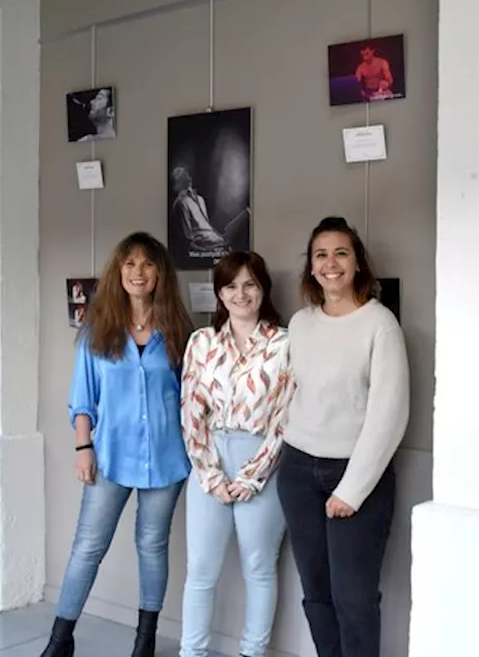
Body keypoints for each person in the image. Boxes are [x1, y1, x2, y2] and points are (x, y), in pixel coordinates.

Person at [39, 232, 194, 657]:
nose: (138, 272)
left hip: (166, 459)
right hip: (108, 456)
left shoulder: (180, 330)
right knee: (88, 547)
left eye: (147, 264)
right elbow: (82, 398)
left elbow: (192, 399)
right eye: (130, 264)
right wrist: (82, 448)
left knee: (152, 546)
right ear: (118, 272)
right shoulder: (98, 329)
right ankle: (59, 640)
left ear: (160, 272)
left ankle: (144, 642)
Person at [277, 216, 409, 657]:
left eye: (341, 253)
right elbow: (289, 395)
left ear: (357, 264)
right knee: (316, 593)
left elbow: (388, 416)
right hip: (298, 471)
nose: (330, 263)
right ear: (311, 267)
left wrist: (351, 490)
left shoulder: (380, 324)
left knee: (354, 598)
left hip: (354, 475)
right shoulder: (300, 324)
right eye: (321, 254)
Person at [179, 251, 295, 657]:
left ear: (263, 289)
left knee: (259, 569)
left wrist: (252, 476)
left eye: (249, 284)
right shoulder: (202, 342)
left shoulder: (286, 343)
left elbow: (285, 417)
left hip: (262, 459)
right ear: (219, 293)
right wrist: (211, 475)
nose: (240, 293)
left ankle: (251, 652)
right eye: (230, 285)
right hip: (209, 457)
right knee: (200, 571)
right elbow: (191, 413)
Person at [169, 166, 251, 257]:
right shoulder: (181, 203)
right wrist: (206, 250)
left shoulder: (200, 199)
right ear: (179, 181)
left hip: (216, 238)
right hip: (205, 243)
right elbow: (188, 236)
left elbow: (206, 224)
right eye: (185, 176)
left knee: (244, 217)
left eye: (188, 175)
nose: (189, 178)